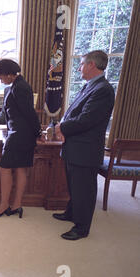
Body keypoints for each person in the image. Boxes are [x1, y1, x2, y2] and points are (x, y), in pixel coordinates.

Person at [54, 50, 115, 240]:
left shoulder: (103, 90)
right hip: (75, 147)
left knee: (84, 190)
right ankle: (71, 213)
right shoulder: (90, 86)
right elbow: (73, 112)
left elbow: (86, 120)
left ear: (91, 65)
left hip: (85, 150)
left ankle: (81, 228)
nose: (79, 68)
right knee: (74, 186)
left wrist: (61, 127)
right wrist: (61, 125)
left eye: (81, 64)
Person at [0, 59, 41, 219]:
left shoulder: (21, 87)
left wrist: (38, 131)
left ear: (10, 74)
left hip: (20, 134)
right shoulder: (16, 86)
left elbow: (29, 113)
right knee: (20, 168)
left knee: (4, 168)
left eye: (1, 77)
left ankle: (4, 205)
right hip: (19, 133)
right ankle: (16, 205)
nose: (0, 80)